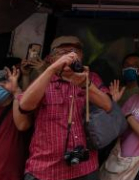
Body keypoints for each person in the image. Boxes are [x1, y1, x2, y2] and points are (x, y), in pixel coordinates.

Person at [17, 36, 112, 180]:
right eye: (62, 52)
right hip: (45, 169)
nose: (69, 55)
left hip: (84, 166)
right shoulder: (43, 79)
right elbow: (24, 106)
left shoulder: (91, 77)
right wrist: (51, 70)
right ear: (51, 58)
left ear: (81, 56)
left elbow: (107, 105)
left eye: (74, 51)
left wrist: (85, 84)